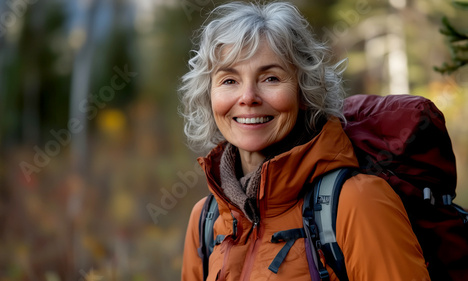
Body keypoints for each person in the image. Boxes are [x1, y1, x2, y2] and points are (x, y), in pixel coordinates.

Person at [179, 2, 430, 280]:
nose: (248, 97)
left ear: (304, 92)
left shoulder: (357, 202)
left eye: (271, 78)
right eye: (229, 80)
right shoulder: (206, 219)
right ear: (209, 94)